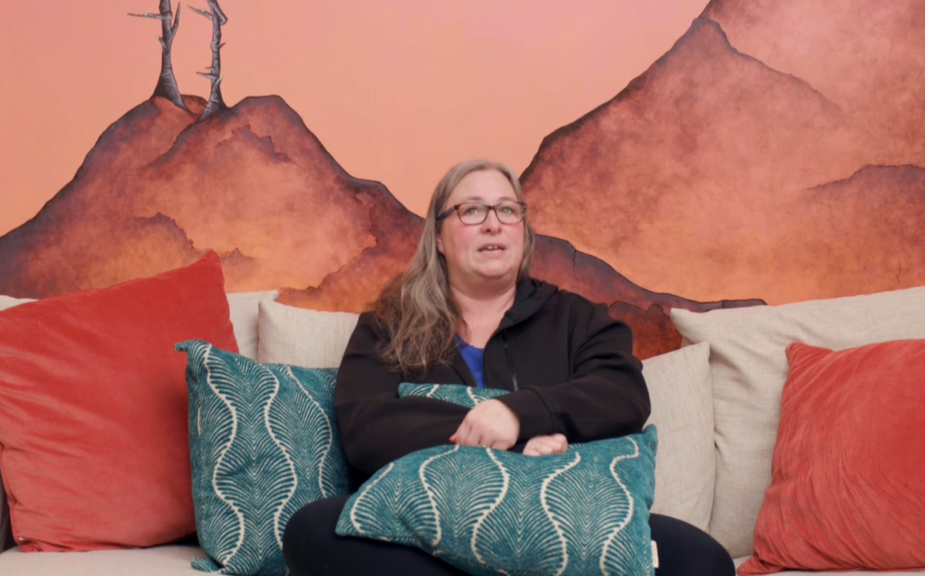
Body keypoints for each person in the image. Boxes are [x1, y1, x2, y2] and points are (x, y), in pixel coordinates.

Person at [283, 159, 734, 576]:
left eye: (507, 209)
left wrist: (519, 411)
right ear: (438, 238)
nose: (494, 222)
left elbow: (623, 394)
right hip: (430, 515)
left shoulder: (580, 318)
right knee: (312, 530)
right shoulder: (388, 324)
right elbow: (366, 427)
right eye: (472, 211)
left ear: (523, 229)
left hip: (565, 512)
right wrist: (507, 442)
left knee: (703, 561)